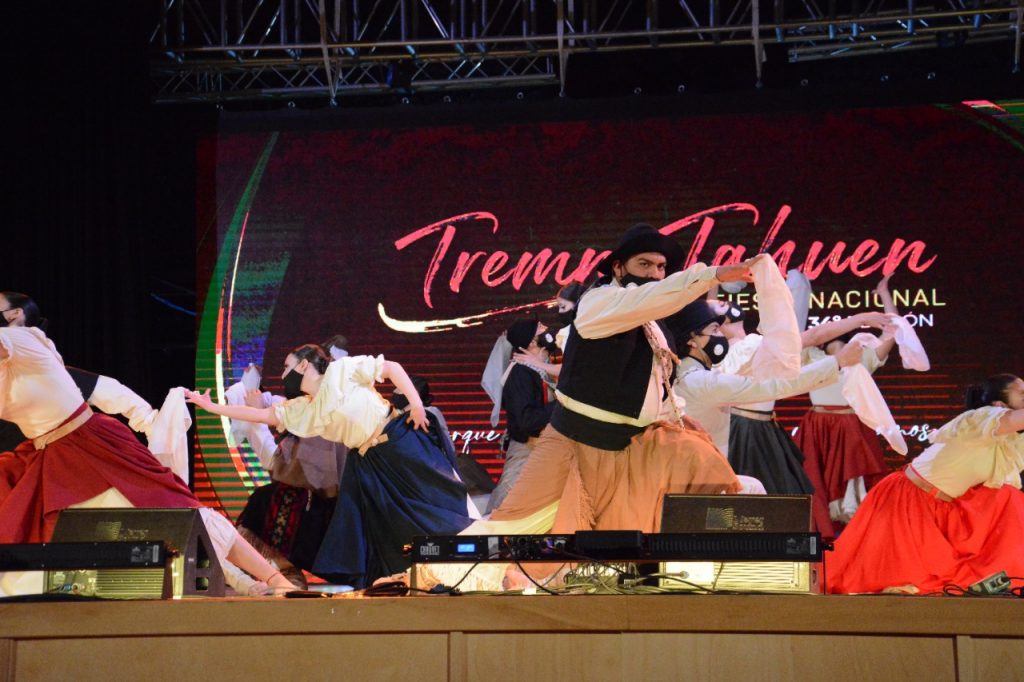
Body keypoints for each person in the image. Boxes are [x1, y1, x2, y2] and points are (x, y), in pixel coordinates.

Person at [0, 291, 297, 595]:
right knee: (80, 530)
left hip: (92, 444)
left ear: (14, 315)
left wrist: (156, 426)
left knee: (172, 510)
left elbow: (113, 393)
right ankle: (240, 582)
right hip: (48, 456)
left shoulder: (25, 341)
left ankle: (269, 578)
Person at [470, 223, 755, 536]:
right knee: (513, 532)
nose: (655, 274)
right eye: (644, 264)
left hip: (630, 447)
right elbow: (648, 299)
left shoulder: (653, 322)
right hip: (575, 444)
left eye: (661, 267)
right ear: (618, 267)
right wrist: (714, 275)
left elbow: (653, 381)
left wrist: (673, 415)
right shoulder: (599, 301)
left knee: (698, 473)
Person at [186, 344, 475, 588]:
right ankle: (418, 581)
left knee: (437, 507)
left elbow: (391, 368)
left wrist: (416, 404)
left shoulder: (342, 371)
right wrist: (213, 407)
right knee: (387, 529)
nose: (283, 374)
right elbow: (262, 415)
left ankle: (472, 565)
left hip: (398, 443)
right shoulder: (306, 408)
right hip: (370, 463)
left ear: (303, 365)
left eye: (287, 367)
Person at [826, 374, 1024, 594]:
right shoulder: (983, 418)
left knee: (1009, 499)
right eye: (1022, 393)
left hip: (937, 508)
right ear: (999, 404)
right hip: (906, 499)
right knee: (881, 578)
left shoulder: (1011, 438)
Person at [486, 319, 558, 513]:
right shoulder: (521, 373)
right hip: (527, 450)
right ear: (532, 341)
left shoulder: (540, 370)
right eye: (541, 327)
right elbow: (526, 420)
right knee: (506, 504)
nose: (547, 329)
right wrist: (561, 405)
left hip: (543, 449)